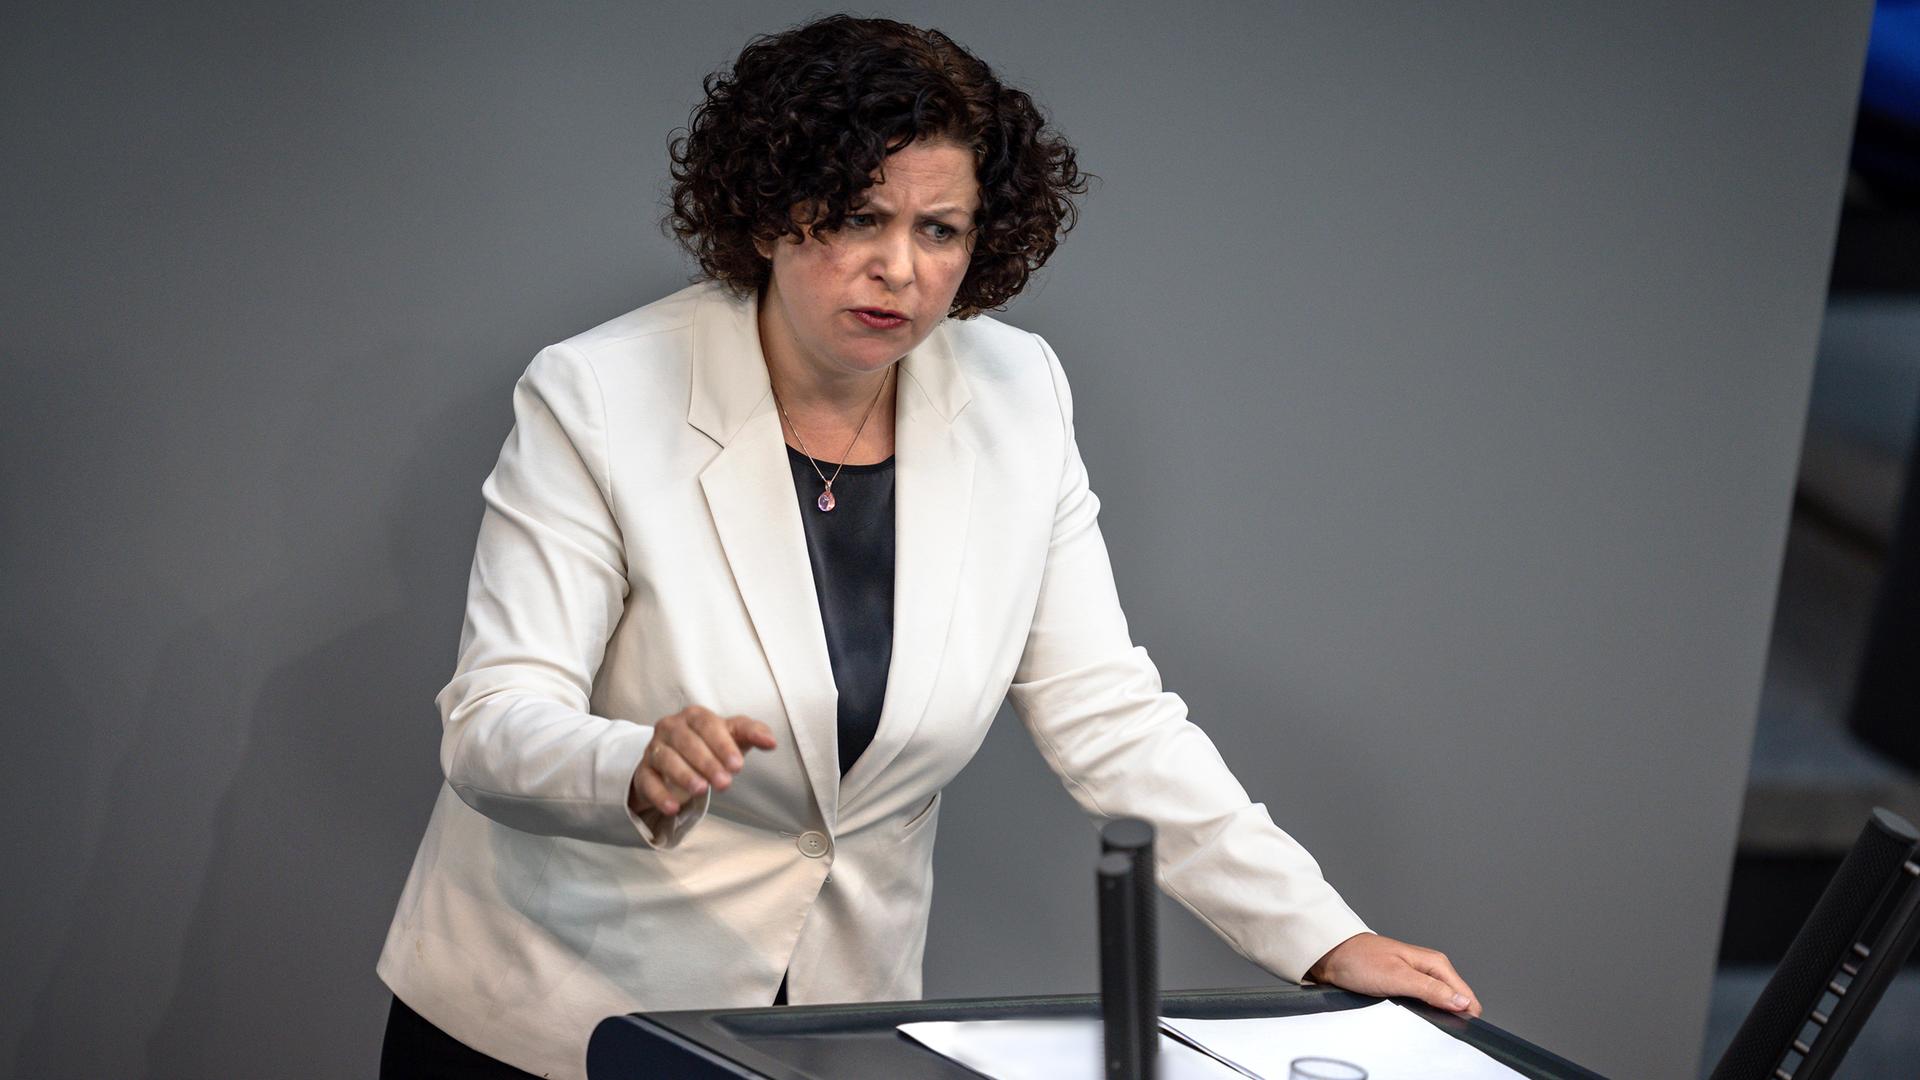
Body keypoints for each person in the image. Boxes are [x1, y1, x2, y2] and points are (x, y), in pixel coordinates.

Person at [375, 14, 1480, 1079]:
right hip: (554, 1016)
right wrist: (630, 764)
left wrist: (1320, 936)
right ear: (767, 214)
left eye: (939, 229)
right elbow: (493, 721)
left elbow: (1109, 715)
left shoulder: (1020, 392)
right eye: (859, 217)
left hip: (828, 1027)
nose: (899, 268)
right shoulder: (600, 394)